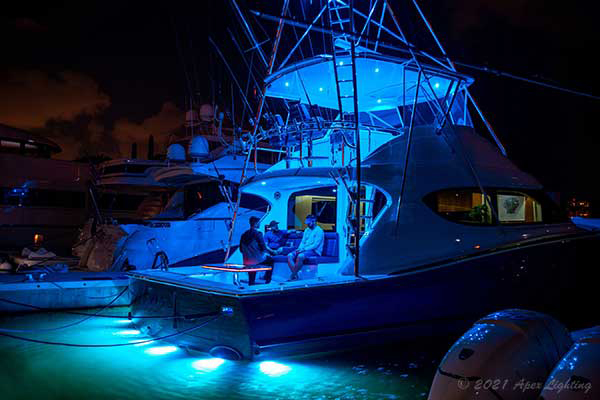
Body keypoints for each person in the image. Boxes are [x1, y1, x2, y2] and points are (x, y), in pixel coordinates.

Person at [239, 216, 275, 285]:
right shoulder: (258, 234)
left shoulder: (243, 235)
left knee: (252, 264)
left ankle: (251, 282)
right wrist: (267, 253)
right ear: (255, 224)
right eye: (259, 223)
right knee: (271, 260)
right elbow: (263, 248)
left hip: (246, 260)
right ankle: (268, 281)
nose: (260, 224)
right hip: (257, 260)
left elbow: (241, 249)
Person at [287, 214, 324, 281]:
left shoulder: (319, 231)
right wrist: (300, 248)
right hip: (304, 249)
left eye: (309, 223)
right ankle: (296, 275)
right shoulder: (307, 230)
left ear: (314, 221)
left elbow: (315, 245)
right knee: (289, 255)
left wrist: (303, 249)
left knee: (300, 256)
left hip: (315, 251)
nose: (307, 225)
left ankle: (292, 275)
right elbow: (303, 241)